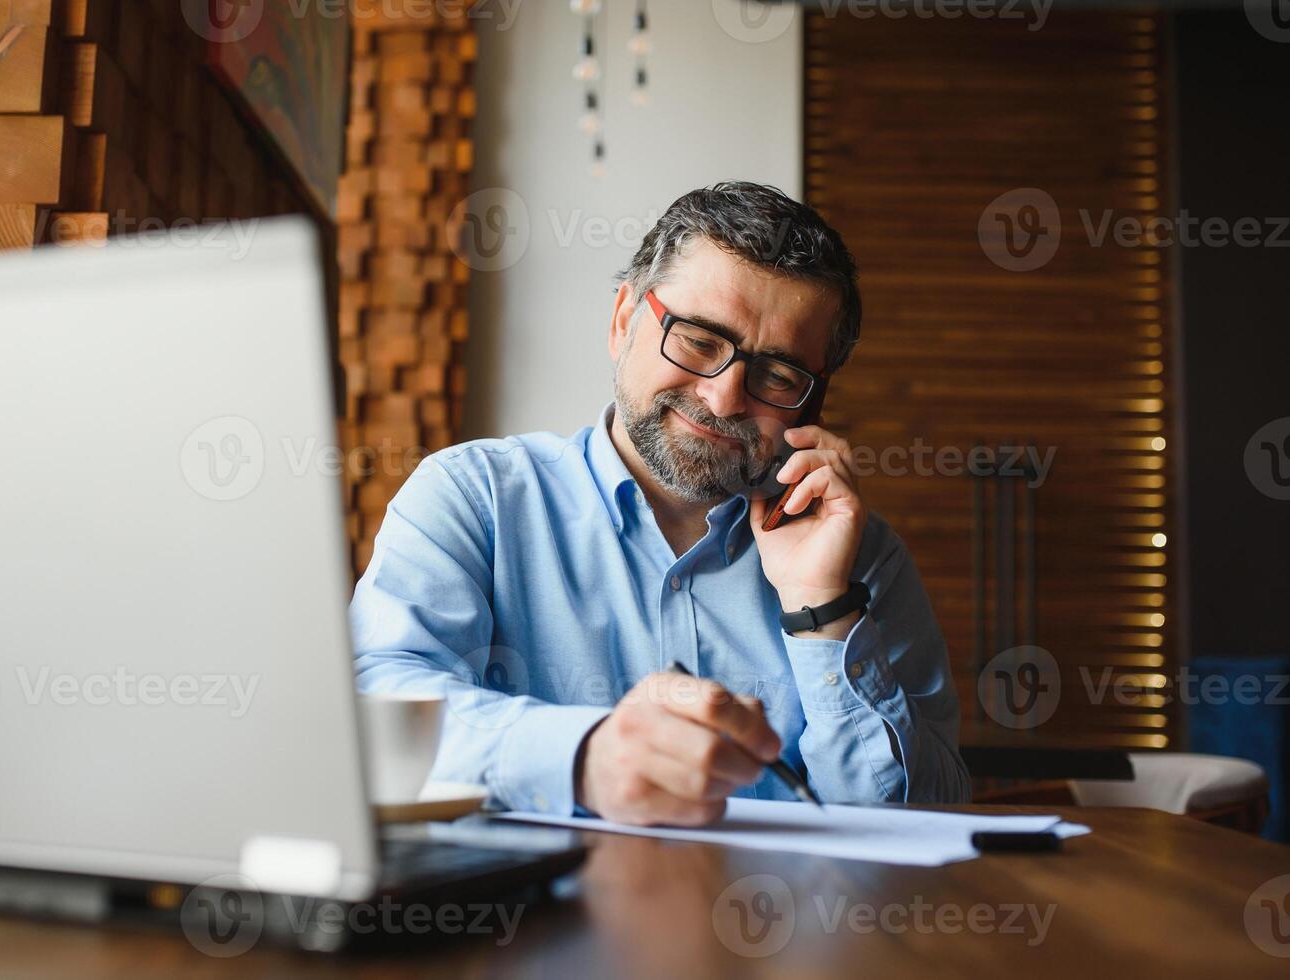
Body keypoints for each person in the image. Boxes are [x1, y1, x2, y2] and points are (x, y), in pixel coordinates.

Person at [351, 181, 969, 826]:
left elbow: (924, 817)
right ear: (623, 320)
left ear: (813, 401)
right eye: (700, 340)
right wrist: (583, 757)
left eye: (778, 374)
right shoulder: (473, 495)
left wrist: (826, 611)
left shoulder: (862, 557)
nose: (725, 397)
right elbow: (378, 713)